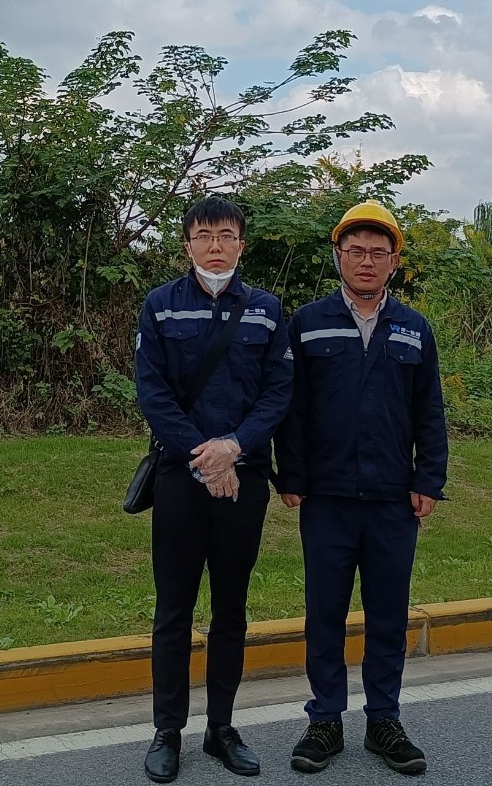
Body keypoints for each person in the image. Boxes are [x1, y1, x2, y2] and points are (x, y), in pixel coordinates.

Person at [275, 200, 449, 776]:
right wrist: (292, 474)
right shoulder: (308, 322)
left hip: (392, 500)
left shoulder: (414, 328)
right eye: (356, 251)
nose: (366, 261)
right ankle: (325, 720)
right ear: (339, 256)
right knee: (324, 613)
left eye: (378, 252)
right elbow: (292, 408)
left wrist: (429, 479)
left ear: (394, 261)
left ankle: (384, 721)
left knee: (387, 616)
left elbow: (429, 412)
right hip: (325, 499)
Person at [134, 197, 292, 782]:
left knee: (231, 609)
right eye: (204, 235)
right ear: (188, 245)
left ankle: (221, 728)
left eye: (227, 235)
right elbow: (153, 394)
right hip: (180, 475)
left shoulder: (267, 311)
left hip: (243, 477)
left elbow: (278, 393)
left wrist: (234, 447)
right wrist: (205, 455)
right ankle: (167, 731)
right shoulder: (160, 305)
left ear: (242, 245)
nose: (216, 245)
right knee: (173, 610)